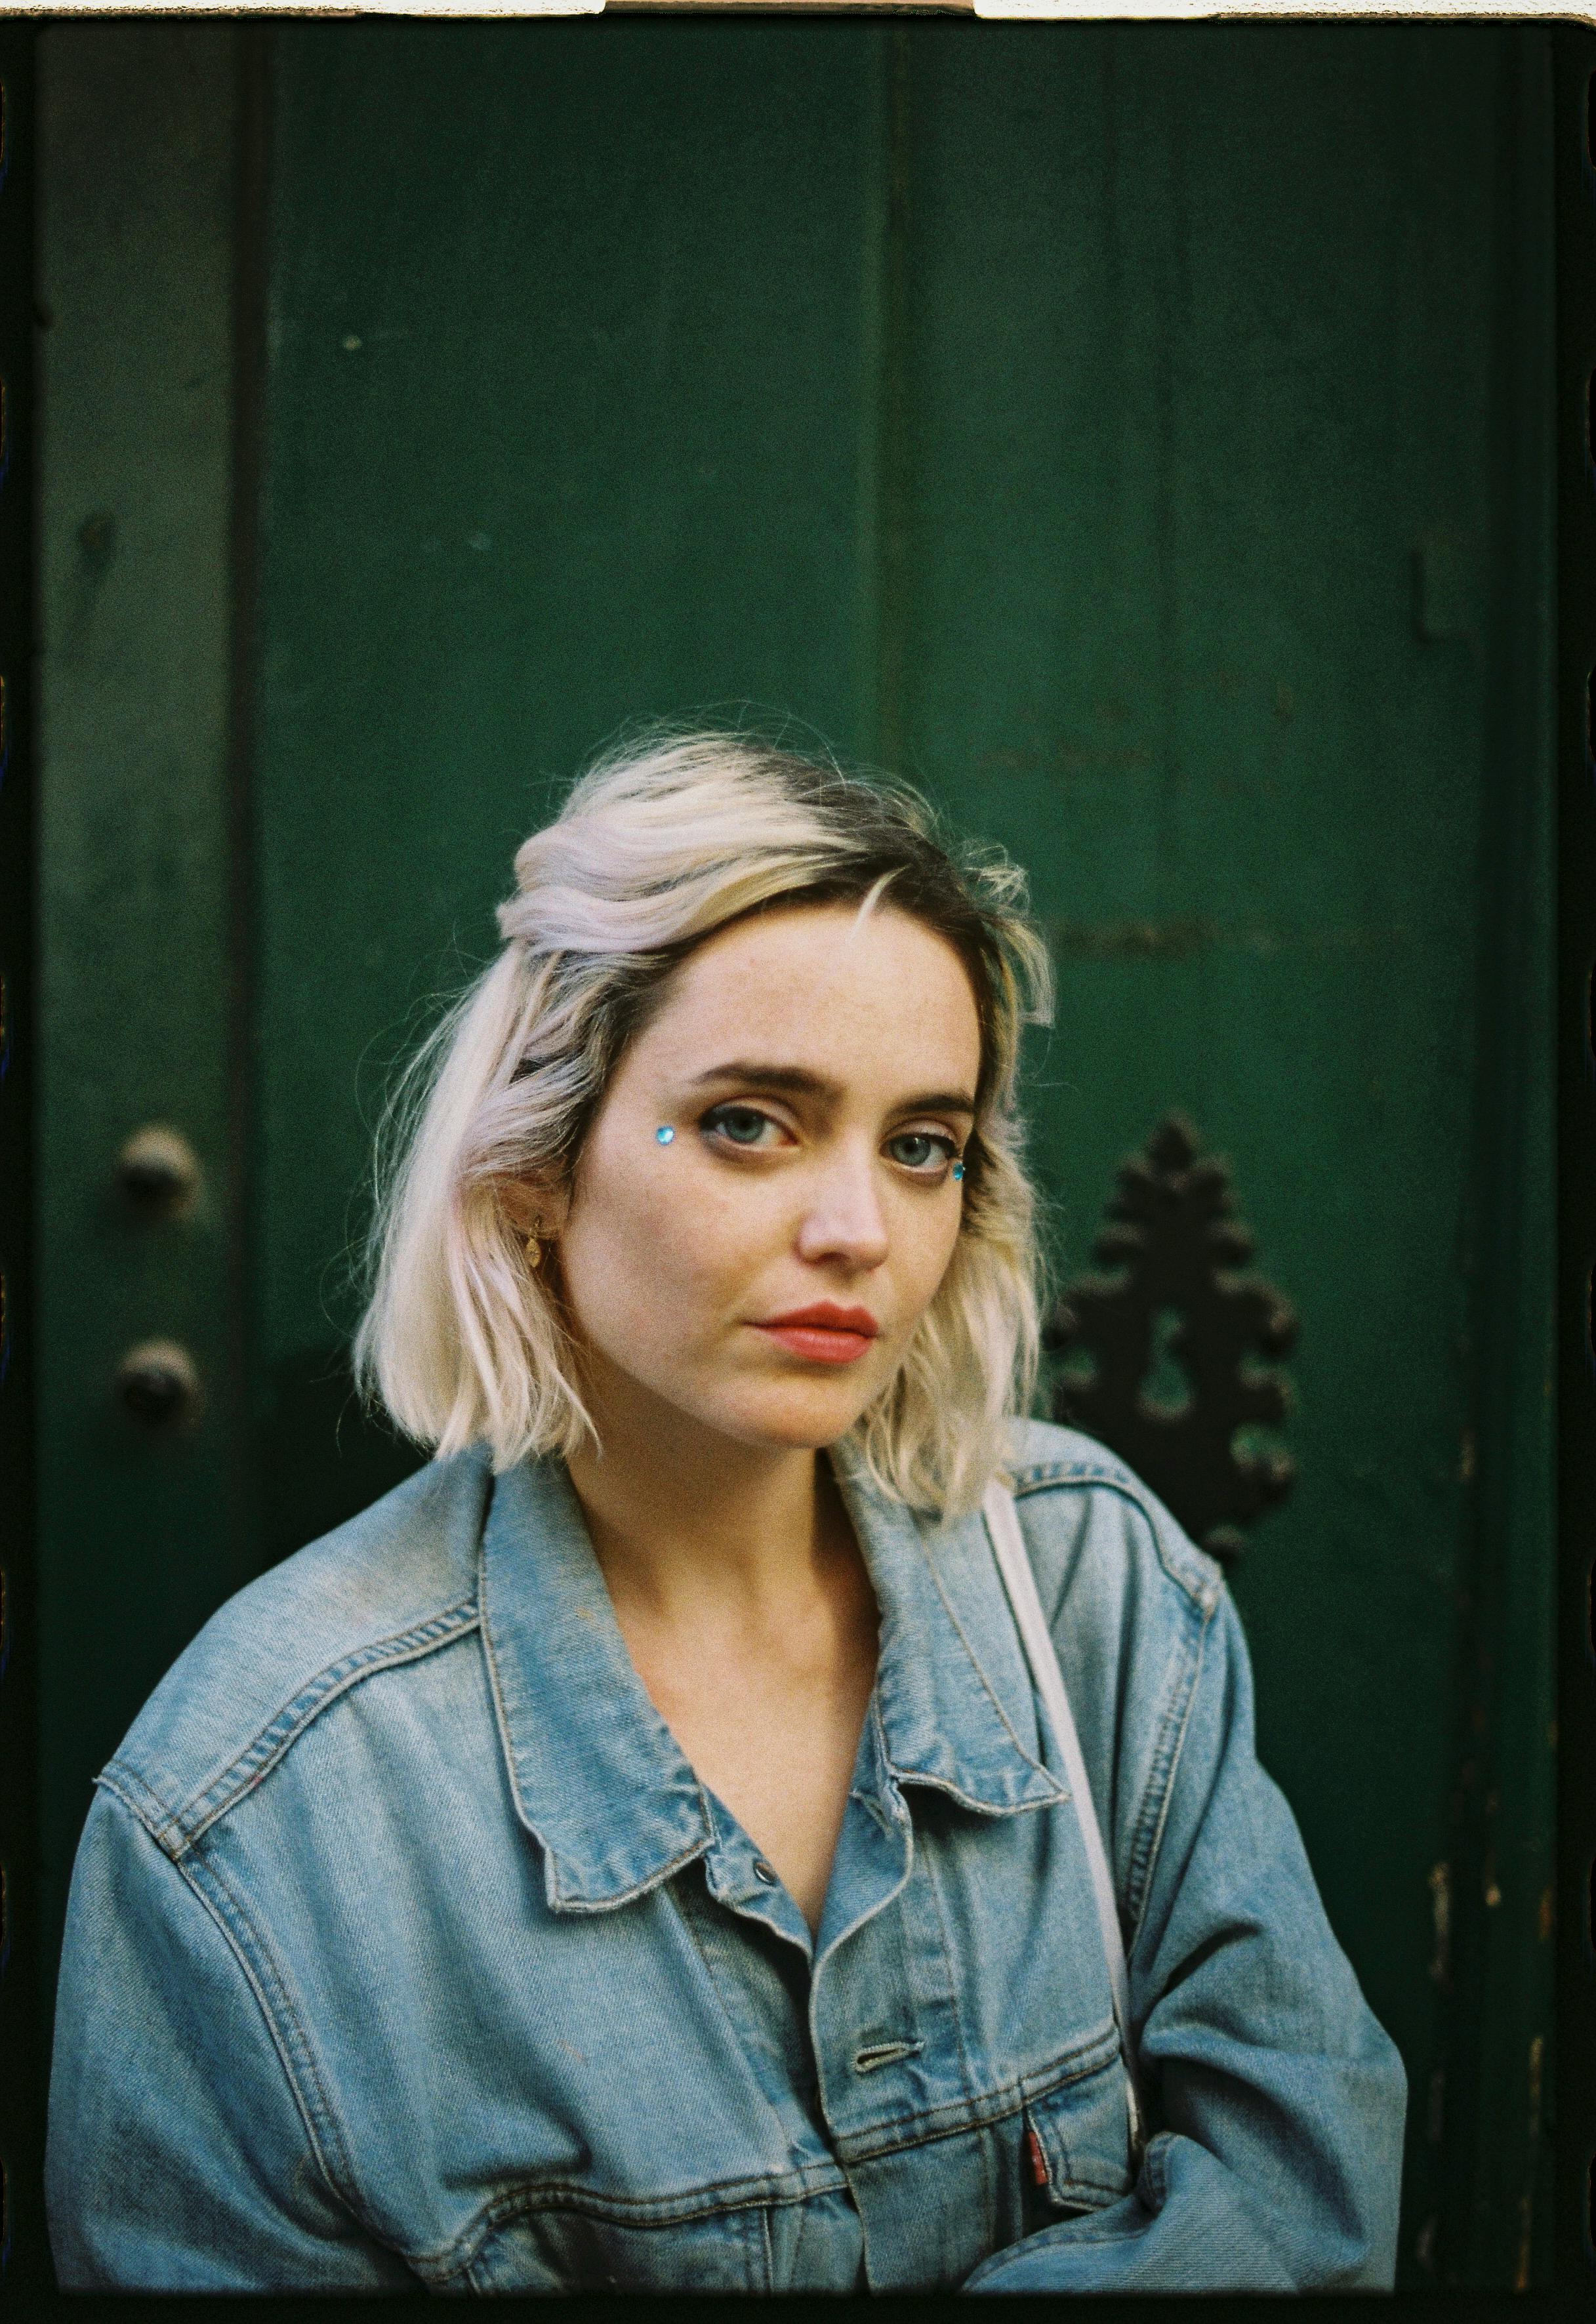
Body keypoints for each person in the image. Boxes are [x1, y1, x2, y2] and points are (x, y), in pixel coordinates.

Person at [45, 731, 1406, 2293]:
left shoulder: (1087, 1580)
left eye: (921, 1146)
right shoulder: (253, 1812)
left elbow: (1306, 2190)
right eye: (753, 1121)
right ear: (538, 1160)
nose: (856, 1232)